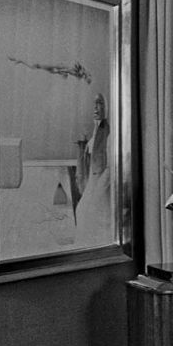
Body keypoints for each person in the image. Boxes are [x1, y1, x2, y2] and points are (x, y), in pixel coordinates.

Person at [73, 93, 113, 245]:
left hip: (102, 188)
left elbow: (110, 168)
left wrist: (98, 192)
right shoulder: (94, 135)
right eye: (94, 104)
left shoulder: (109, 134)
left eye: (100, 103)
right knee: (82, 213)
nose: (96, 108)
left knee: (94, 219)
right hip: (92, 184)